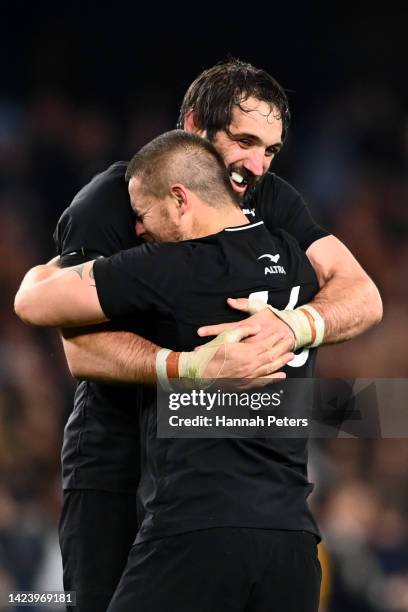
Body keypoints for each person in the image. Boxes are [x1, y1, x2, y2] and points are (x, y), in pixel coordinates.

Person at [43, 60, 382, 610]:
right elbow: (78, 349)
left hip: (207, 480)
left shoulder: (270, 200)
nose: (257, 165)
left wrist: (294, 326)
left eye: (270, 150)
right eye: (244, 141)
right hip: (113, 461)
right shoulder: (110, 201)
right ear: (195, 125)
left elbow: (363, 294)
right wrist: (190, 368)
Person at [16, 130, 323, 611]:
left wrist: (49, 266)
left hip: (194, 533)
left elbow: (32, 303)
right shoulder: (296, 260)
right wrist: (309, 323)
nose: (138, 229)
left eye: (142, 214)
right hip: (293, 544)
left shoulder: (170, 266)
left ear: (180, 199)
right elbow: (363, 300)